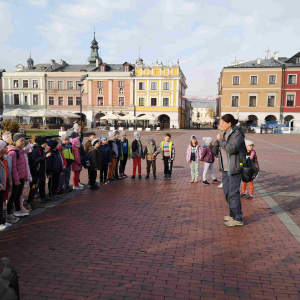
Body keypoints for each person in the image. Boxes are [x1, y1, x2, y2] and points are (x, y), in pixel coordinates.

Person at [213, 114, 245, 227]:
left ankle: (238, 218)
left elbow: (232, 148)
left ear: (229, 124)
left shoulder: (237, 134)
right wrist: (217, 141)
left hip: (234, 168)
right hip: (224, 168)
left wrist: (221, 141)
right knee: (226, 191)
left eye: (223, 123)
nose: (221, 125)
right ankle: (232, 214)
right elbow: (214, 150)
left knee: (233, 193)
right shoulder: (224, 133)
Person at [7, 133, 29, 222]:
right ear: (15, 141)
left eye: (24, 141)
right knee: (13, 195)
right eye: (21, 141)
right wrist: (16, 179)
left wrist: (26, 175)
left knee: (19, 194)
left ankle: (18, 209)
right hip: (17, 179)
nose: (23, 142)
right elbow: (13, 167)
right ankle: (9, 213)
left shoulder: (21, 151)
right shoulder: (13, 152)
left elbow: (24, 165)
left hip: (22, 177)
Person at [27, 136, 50, 209]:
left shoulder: (41, 149)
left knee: (42, 185)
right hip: (37, 172)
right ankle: (30, 201)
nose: (46, 145)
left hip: (41, 171)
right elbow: (35, 160)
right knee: (34, 186)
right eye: (45, 143)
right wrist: (45, 156)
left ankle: (43, 196)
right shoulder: (36, 150)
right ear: (41, 143)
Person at [0, 141, 13, 230]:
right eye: (5, 147)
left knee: (1, 204)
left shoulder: (4, 158)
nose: (7, 148)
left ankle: (2, 221)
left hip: (3, 185)